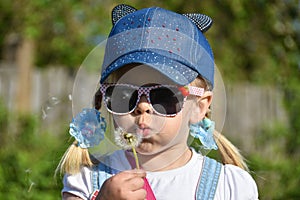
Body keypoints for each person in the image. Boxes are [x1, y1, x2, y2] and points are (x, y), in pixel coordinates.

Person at [57, 4, 259, 200]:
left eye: (164, 96)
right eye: (125, 95)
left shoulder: (228, 187)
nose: (142, 107)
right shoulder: (87, 180)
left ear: (199, 107)